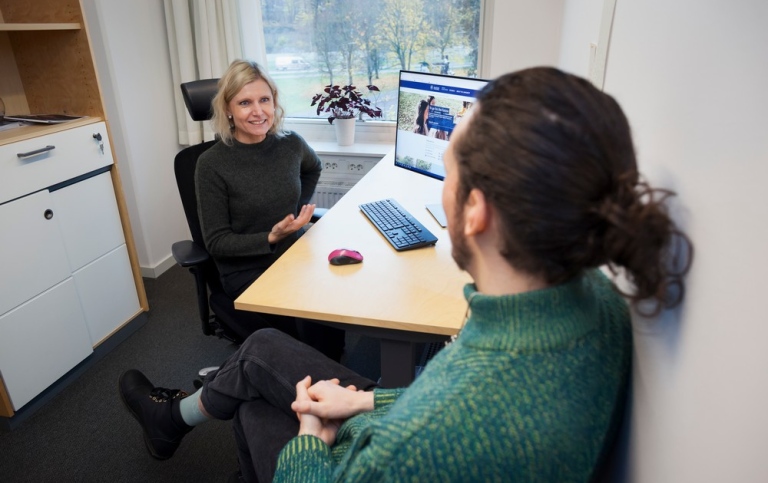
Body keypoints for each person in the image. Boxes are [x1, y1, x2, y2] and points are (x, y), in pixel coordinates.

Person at [119, 67, 693, 481]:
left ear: (476, 211)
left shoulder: (430, 439)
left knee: (256, 407)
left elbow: (442, 416)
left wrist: (312, 443)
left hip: (368, 454)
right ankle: (172, 419)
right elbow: (443, 395)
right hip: (404, 413)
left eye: (445, 173)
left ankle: (179, 419)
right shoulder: (595, 296)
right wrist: (368, 403)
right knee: (266, 345)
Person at [195, 59, 345, 358]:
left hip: (294, 252)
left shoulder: (289, 144)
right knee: (301, 338)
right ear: (228, 109)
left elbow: (312, 168)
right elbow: (217, 242)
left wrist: (296, 211)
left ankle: (333, 376)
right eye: (245, 102)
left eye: (265, 100)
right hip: (247, 269)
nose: (258, 111)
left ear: (274, 102)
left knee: (334, 301)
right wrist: (271, 237)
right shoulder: (211, 165)